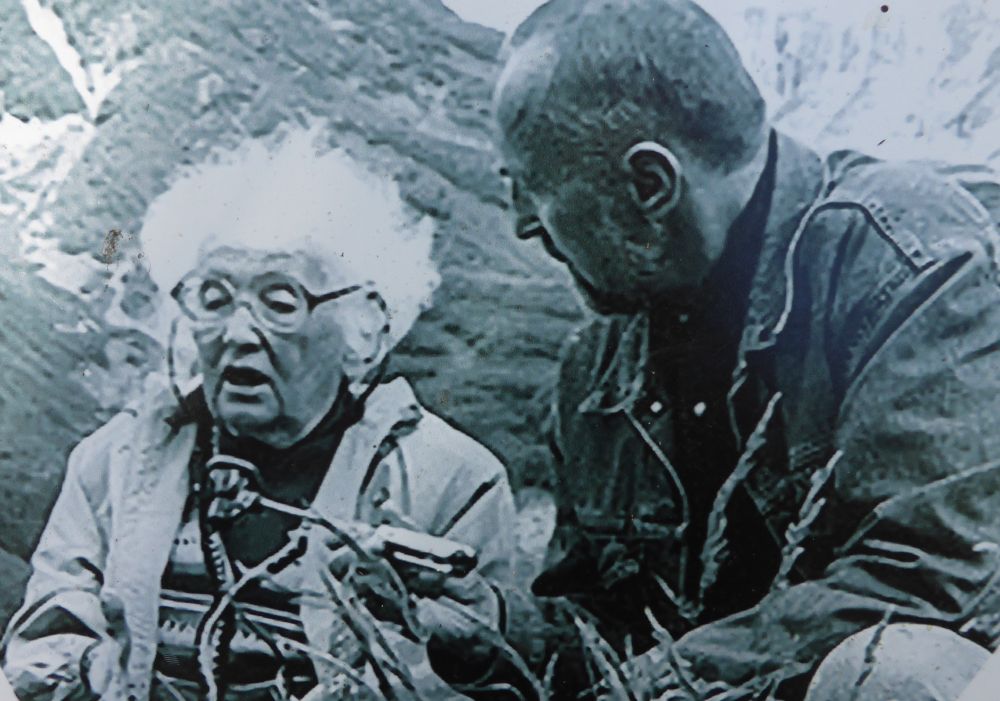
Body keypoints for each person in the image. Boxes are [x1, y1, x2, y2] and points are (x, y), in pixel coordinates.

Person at [492, 0, 1000, 698]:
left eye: (531, 182)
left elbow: (924, 579)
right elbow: (598, 622)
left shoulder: (908, 259)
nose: (522, 220)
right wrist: (492, 626)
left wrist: (660, 679)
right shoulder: (592, 361)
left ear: (650, 183)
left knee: (893, 671)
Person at [2, 129, 518, 701]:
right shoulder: (114, 460)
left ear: (362, 328)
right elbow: (45, 638)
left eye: (279, 301)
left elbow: (488, 678)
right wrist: (87, 672)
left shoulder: (452, 480)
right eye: (214, 299)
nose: (237, 334)